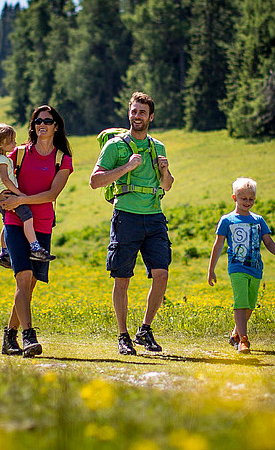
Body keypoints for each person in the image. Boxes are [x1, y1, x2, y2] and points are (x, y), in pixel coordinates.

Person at [89, 92, 174, 355]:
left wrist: (165, 171)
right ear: (129, 113)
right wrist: (126, 168)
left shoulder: (157, 147)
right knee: (122, 278)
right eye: (134, 111)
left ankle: (145, 330)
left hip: (155, 217)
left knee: (161, 274)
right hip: (126, 216)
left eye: (142, 112)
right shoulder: (115, 146)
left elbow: (167, 185)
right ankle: (123, 335)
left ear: (151, 117)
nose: (137, 116)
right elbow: (95, 181)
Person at [0, 105, 73, 358]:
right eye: (38, 120)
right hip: (15, 221)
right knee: (24, 277)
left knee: (30, 286)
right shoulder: (17, 154)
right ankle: (29, 336)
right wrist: (7, 201)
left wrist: (21, 199)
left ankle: (9, 336)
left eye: (48, 121)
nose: (42, 124)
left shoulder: (62, 159)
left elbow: (53, 194)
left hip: (42, 225)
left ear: (56, 126)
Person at [207, 177, 275, 354]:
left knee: (250, 305)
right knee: (241, 301)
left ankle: (235, 334)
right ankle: (243, 340)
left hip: (256, 268)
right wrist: (211, 269)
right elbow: (218, 245)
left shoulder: (259, 220)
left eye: (251, 199)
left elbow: (268, 241)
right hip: (237, 267)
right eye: (244, 198)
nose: (248, 202)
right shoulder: (227, 220)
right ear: (235, 198)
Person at [0, 123, 56, 269]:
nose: (14, 143)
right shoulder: (2, 160)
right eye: (11, 141)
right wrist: (19, 194)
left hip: (1, 196)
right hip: (10, 195)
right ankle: (35, 247)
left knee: (6, 223)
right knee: (27, 217)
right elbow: (5, 179)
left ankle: (4, 252)